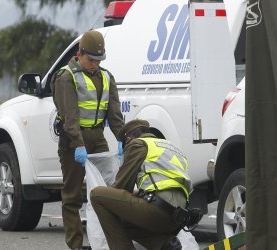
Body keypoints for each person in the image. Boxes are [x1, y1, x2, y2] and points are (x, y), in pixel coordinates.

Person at [50, 30, 124, 250]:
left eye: (98, 60)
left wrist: (122, 139)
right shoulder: (66, 77)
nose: (94, 64)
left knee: (107, 193)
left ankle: (105, 243)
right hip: (73, 142)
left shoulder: (107, 77)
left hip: (97, 138)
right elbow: (70, 118)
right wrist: (79, 145)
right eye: (91, 59)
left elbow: (115, 115)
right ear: (79, 53)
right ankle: (75, 245)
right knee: (72, 196)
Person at [90, 119, 194, 250]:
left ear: (128, 138)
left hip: (157, 211)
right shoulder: (171, 147)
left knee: (98, 195)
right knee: (126, 222)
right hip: (177, 219)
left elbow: (121, 186)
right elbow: (163, 182)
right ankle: (164, 244)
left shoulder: (137, 144)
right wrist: (139, 194)